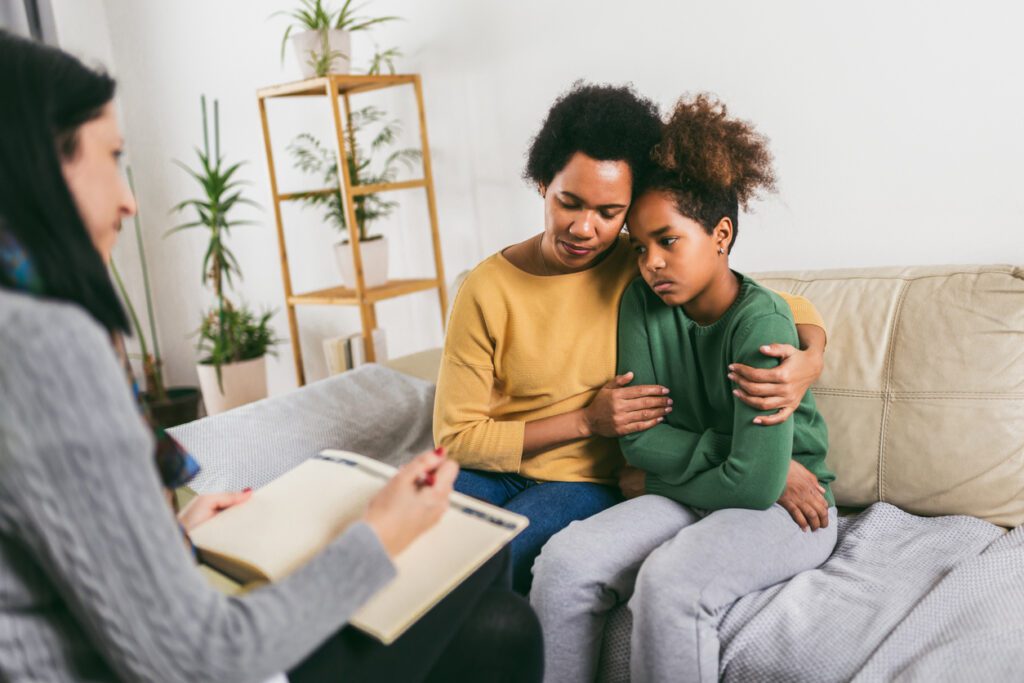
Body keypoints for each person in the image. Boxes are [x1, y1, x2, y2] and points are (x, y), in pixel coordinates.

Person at [0, 31, 541, 683]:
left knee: (502, 630)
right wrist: (379, 535)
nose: (128, 199)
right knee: (479, 561)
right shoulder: (42, 345)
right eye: (112, 157)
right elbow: (199, 659)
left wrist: (174, 536)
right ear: (39, 162)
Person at [434, 82, 832, 593]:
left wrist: (811, 355)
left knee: (490, 566)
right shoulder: (485, 289)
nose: (584, 228)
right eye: (569, 203)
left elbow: (755, 299)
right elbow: (455, 438)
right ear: (541, 186)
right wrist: (584, 420)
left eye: (608, 212)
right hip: (492, 466)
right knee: (419, 550)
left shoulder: (641, 261)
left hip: (585, 482)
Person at [530, 93, 838, 682]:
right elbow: (640, 445)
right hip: (713, 487)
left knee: (671, 583)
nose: (651, 262)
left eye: (668, 241)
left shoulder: (763, 326)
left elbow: (755, 484)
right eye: (640, 247)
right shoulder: (641, 306)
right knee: (565, 564)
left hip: (792, 505)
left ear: (720, 235)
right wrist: (680, 468)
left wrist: (659, 477)